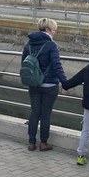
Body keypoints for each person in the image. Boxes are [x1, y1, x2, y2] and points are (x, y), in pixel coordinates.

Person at [22, 18, 68, 152]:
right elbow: (57, 66)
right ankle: (43, 143)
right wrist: (65, 83)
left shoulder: (29, 44)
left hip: (34, 84)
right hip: (49, 85)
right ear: (48, 30)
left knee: (34, 112)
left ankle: (31, 142)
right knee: (45, 114)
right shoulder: (51, 45)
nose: (55, 32)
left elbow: (24, 64)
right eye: (54, 30)